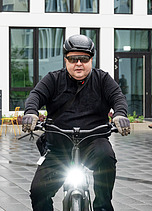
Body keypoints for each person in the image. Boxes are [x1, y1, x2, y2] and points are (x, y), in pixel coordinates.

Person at [22, 34, 131, 211]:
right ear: (66, 60)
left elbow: (118, 98)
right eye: (73, 59)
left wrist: (120, 114)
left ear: (91, 60)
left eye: (84, 58)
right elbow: (36, 96)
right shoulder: (53, 79)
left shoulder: (102, 79)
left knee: (107, 157)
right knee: (38, 192)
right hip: (58, 147)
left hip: (93, 143)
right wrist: (31, 112)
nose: (78, 63)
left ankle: (102, 206)